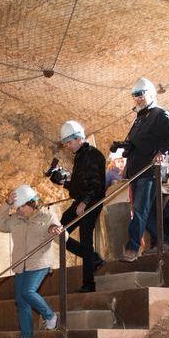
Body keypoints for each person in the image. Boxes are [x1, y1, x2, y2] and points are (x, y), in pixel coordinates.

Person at [116, 78, 169, 261]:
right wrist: (124, 148)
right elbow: (136, 144)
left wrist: (162, 152)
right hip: (136, 171)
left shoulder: (161, 114)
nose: (138, 98)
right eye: (134, 95)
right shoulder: (139, 119)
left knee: (139, 210)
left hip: (149, 171)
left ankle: (132, 248)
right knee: (145, 211)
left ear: (151, 94)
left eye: (141, 94)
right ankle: (164, 242)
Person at [0, 184, 62, 338]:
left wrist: (56, 230)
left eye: (21, 207)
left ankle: (50, 316)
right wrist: (7, 203)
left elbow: (61, 235)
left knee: (27, 292)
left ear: (31, 203)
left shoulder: (47, 215)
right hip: (20, 265)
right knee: (21, 301)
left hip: (39, 262)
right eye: (16, 207)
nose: (18, 210)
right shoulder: (15, 219)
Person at [53, 120, 108, 290]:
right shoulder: (81, 156)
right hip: (82, 200)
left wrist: (85, 201)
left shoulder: (92, 155)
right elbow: (80, 184)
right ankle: (94, 259)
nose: (68, 146)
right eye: (66, 143)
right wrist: (63, 181)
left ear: (78, 138)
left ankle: (89, 283)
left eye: (69, 142)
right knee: (60, 232)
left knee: (85, 239)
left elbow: (96, 184)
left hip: (90, 202)